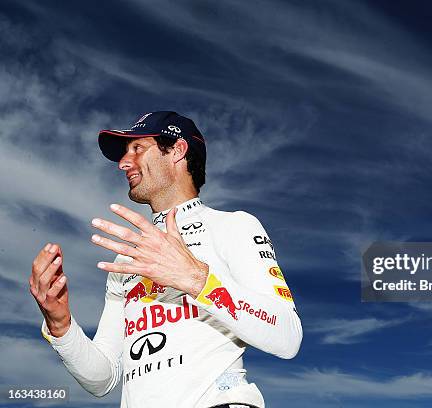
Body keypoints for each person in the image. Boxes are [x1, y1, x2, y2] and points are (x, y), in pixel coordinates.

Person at [29, 111, 302, 408]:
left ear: (177, 151)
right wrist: (60, 325)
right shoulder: (130, 257)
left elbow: (287, 335)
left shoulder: (233, 225)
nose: (123, 163)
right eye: (125, 153)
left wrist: (197, 280)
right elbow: (103, 378)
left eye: (137, 148)